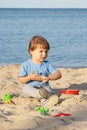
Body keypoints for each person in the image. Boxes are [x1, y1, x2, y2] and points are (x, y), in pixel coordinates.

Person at [19, 35, 62, 107]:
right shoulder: (26, 64)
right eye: (41, 51)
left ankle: (44, 100)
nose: (44, 54)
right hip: (31, 87)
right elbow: (21, 80)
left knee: (48, 90)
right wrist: (29, 77)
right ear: (31, 51)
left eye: (46, 51)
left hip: (44, 86)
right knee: (26, 89)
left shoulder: (47, 64)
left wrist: (49, 77)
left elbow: (58, 74)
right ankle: (41, 95)